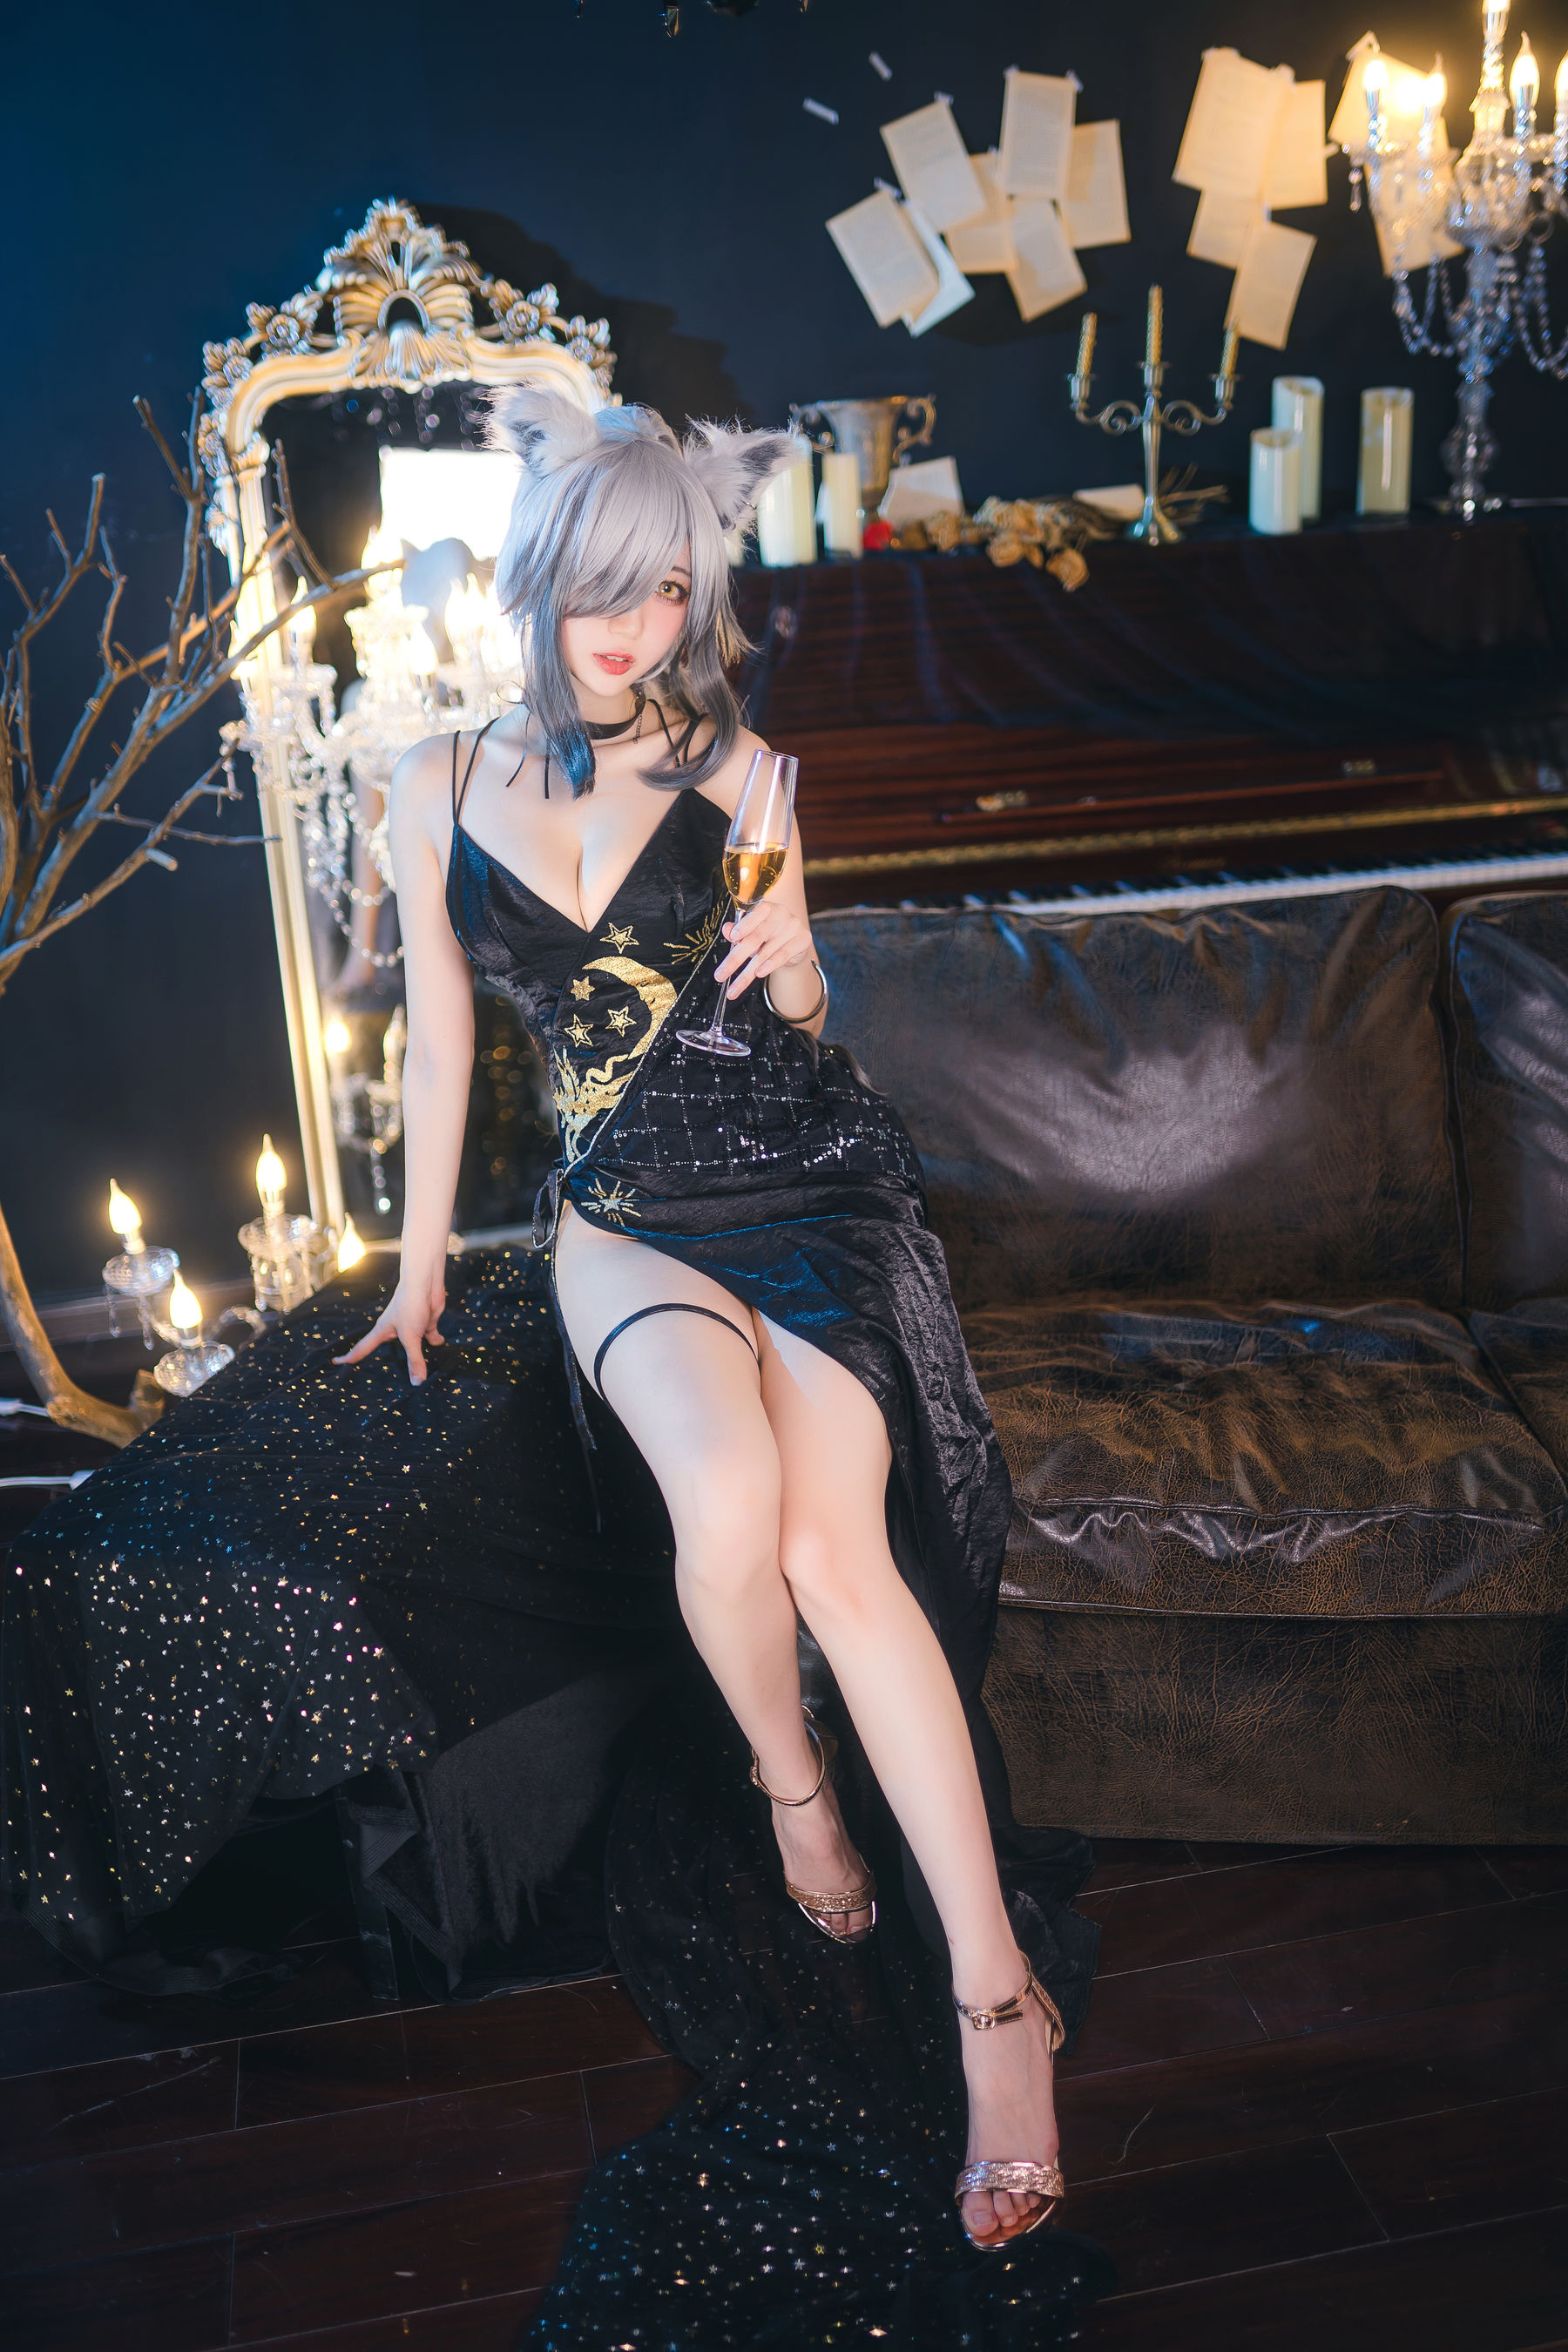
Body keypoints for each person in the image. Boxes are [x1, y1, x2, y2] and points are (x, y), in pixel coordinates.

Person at [335, 386, 1088, 2251]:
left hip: (808, 1185)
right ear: (538, 571)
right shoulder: (432, 782)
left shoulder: (748, 772)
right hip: (625, 1217)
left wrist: (809, 962)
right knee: (726, 1504)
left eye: (668, 590)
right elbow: (440, 1037)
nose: (634, 623)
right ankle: (795, 1789)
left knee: (838, 1553)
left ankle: (998, 2006)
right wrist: (417, 1259)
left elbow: (798, 1017)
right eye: (604, 583)